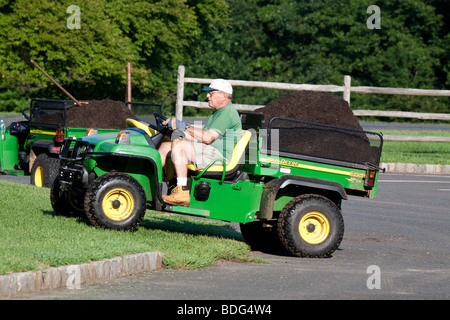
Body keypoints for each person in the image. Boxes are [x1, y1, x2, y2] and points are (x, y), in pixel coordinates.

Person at [158, 79, 242, 207]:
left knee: (179, 145)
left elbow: (207, 138)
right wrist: (176, 129)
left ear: (224, 95)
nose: (207, 96)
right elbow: (198, 138)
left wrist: (184, 126)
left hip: (218, 157)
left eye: (211, 93)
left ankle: (182, 191)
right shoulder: (218, 113)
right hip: (209, 152)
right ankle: (154, 184)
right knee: (165, 146)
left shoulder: (227, 113)